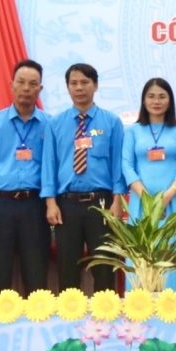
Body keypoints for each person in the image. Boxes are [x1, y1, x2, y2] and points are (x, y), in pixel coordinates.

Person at [42, 63, 126, 293]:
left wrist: (117, 201)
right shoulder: (55, 124)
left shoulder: (111, 122)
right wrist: (50, 203)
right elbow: (49, 165)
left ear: (95, 85)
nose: (79, 88)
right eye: (74, 83)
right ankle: (70, 314)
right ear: (68, 87)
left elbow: (118, 164)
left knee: (105, 267)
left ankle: (106, 312)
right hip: (66, 205)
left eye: (85, 82)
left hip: (102, 203)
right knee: (67, 267)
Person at [0, 60, 51, 297]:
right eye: (21, 82)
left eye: (33, 84)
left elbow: (51, 168)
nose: (26, 88)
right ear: (11, 85)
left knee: (36, 272)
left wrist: (51, 203)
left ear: (40, 89)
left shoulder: (49, 124)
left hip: (35, 204)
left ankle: (38, 317)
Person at [122, 77, 176, 292]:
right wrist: (147, 199)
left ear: (170, 101)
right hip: (141, 204)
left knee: (172, 254)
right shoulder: (133, 131)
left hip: (172, 203)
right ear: (144, 101)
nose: (156, 101)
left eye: (162, 96)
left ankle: (175, 301)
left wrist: (168, 196)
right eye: (151, 96)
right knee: (142, 255)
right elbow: (126, 165)